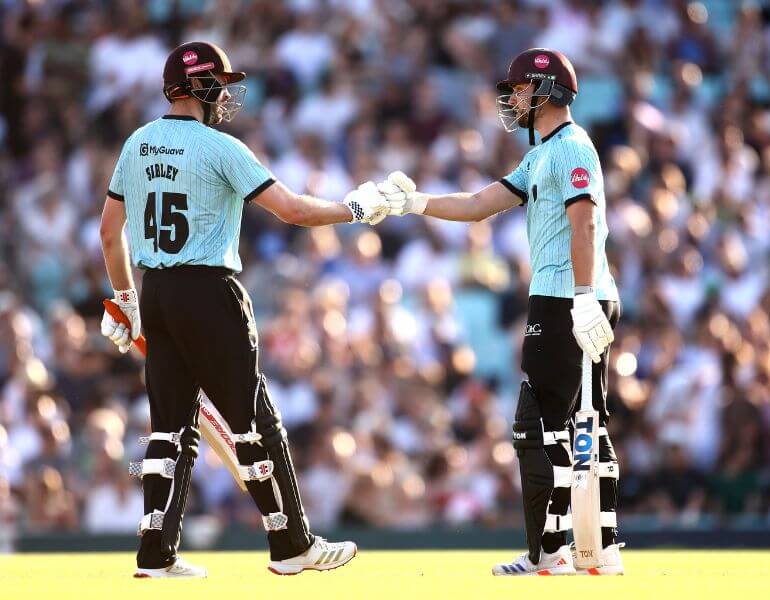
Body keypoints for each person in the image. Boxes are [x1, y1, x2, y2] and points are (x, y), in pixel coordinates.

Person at [98, 41, 387, 578]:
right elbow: (293, 211)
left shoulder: (137, 143)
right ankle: (292, 545)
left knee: (168, 430)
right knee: (256, 422)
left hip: (156, 291)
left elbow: (109, 233)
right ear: (200, 86)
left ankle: (155, 554)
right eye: (220, 83)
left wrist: (127, 300)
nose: (226, 94)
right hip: (210, 291)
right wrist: (353, 209)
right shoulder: (220, 146)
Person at [378, 48, 623, 576]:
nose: (512, 99)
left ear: (546, 90)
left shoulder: (571, 147)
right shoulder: (542, 154)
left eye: (519, 88)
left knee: (539, 429)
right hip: (573, 297)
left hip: (567, 298)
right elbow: (477, 205)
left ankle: (550, 553)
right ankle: (599, 549)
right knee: (582, 424)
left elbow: (584, 223)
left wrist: (583, 296)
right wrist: (414, 203)